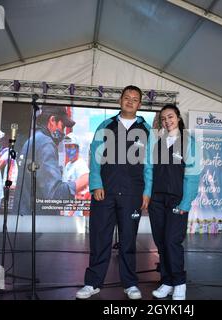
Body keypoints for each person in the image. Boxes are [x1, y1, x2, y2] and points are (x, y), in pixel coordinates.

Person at [76, 85, 153, 300]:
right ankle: (92, 283)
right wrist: (96, 184)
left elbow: (149, 165)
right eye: (126, 97)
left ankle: (130, 284)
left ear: (140, 104)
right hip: (105, 193)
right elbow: (95, 157)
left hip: (132, 194)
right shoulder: (105, 125)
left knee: (128, 240)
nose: (130, 101)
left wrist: (147, 192)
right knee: (100, 238)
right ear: (120, 100)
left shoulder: (147, 130)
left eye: (135, 98)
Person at [149, 104, 200, 300]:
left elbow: (193, 176)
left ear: (178, 118)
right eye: (163, 119)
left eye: (170, 117)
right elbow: (151, 172)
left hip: (177, 200)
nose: (167, 121)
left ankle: (179, 283)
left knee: (172, 241)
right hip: (157, 200)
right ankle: (167, 281)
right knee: (161, 243)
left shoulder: (189, 142)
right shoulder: (159, 143)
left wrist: (185, 203)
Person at [13, 106, 76, 215]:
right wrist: (80, 183)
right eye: (63, 126)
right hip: (38, 221)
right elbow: (55, 195)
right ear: (52, 121)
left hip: (26, 216)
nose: (63, 132)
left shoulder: (33, 139)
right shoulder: (45, 144)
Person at [61, 133, 90, 216]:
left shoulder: (81, 166)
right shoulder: (68, 165)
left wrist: (71, 211)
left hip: (75, 216)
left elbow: (83, 194)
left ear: (77, 148)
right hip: (66, 212)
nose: (68, 150)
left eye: (71, 147)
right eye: (67, 147)